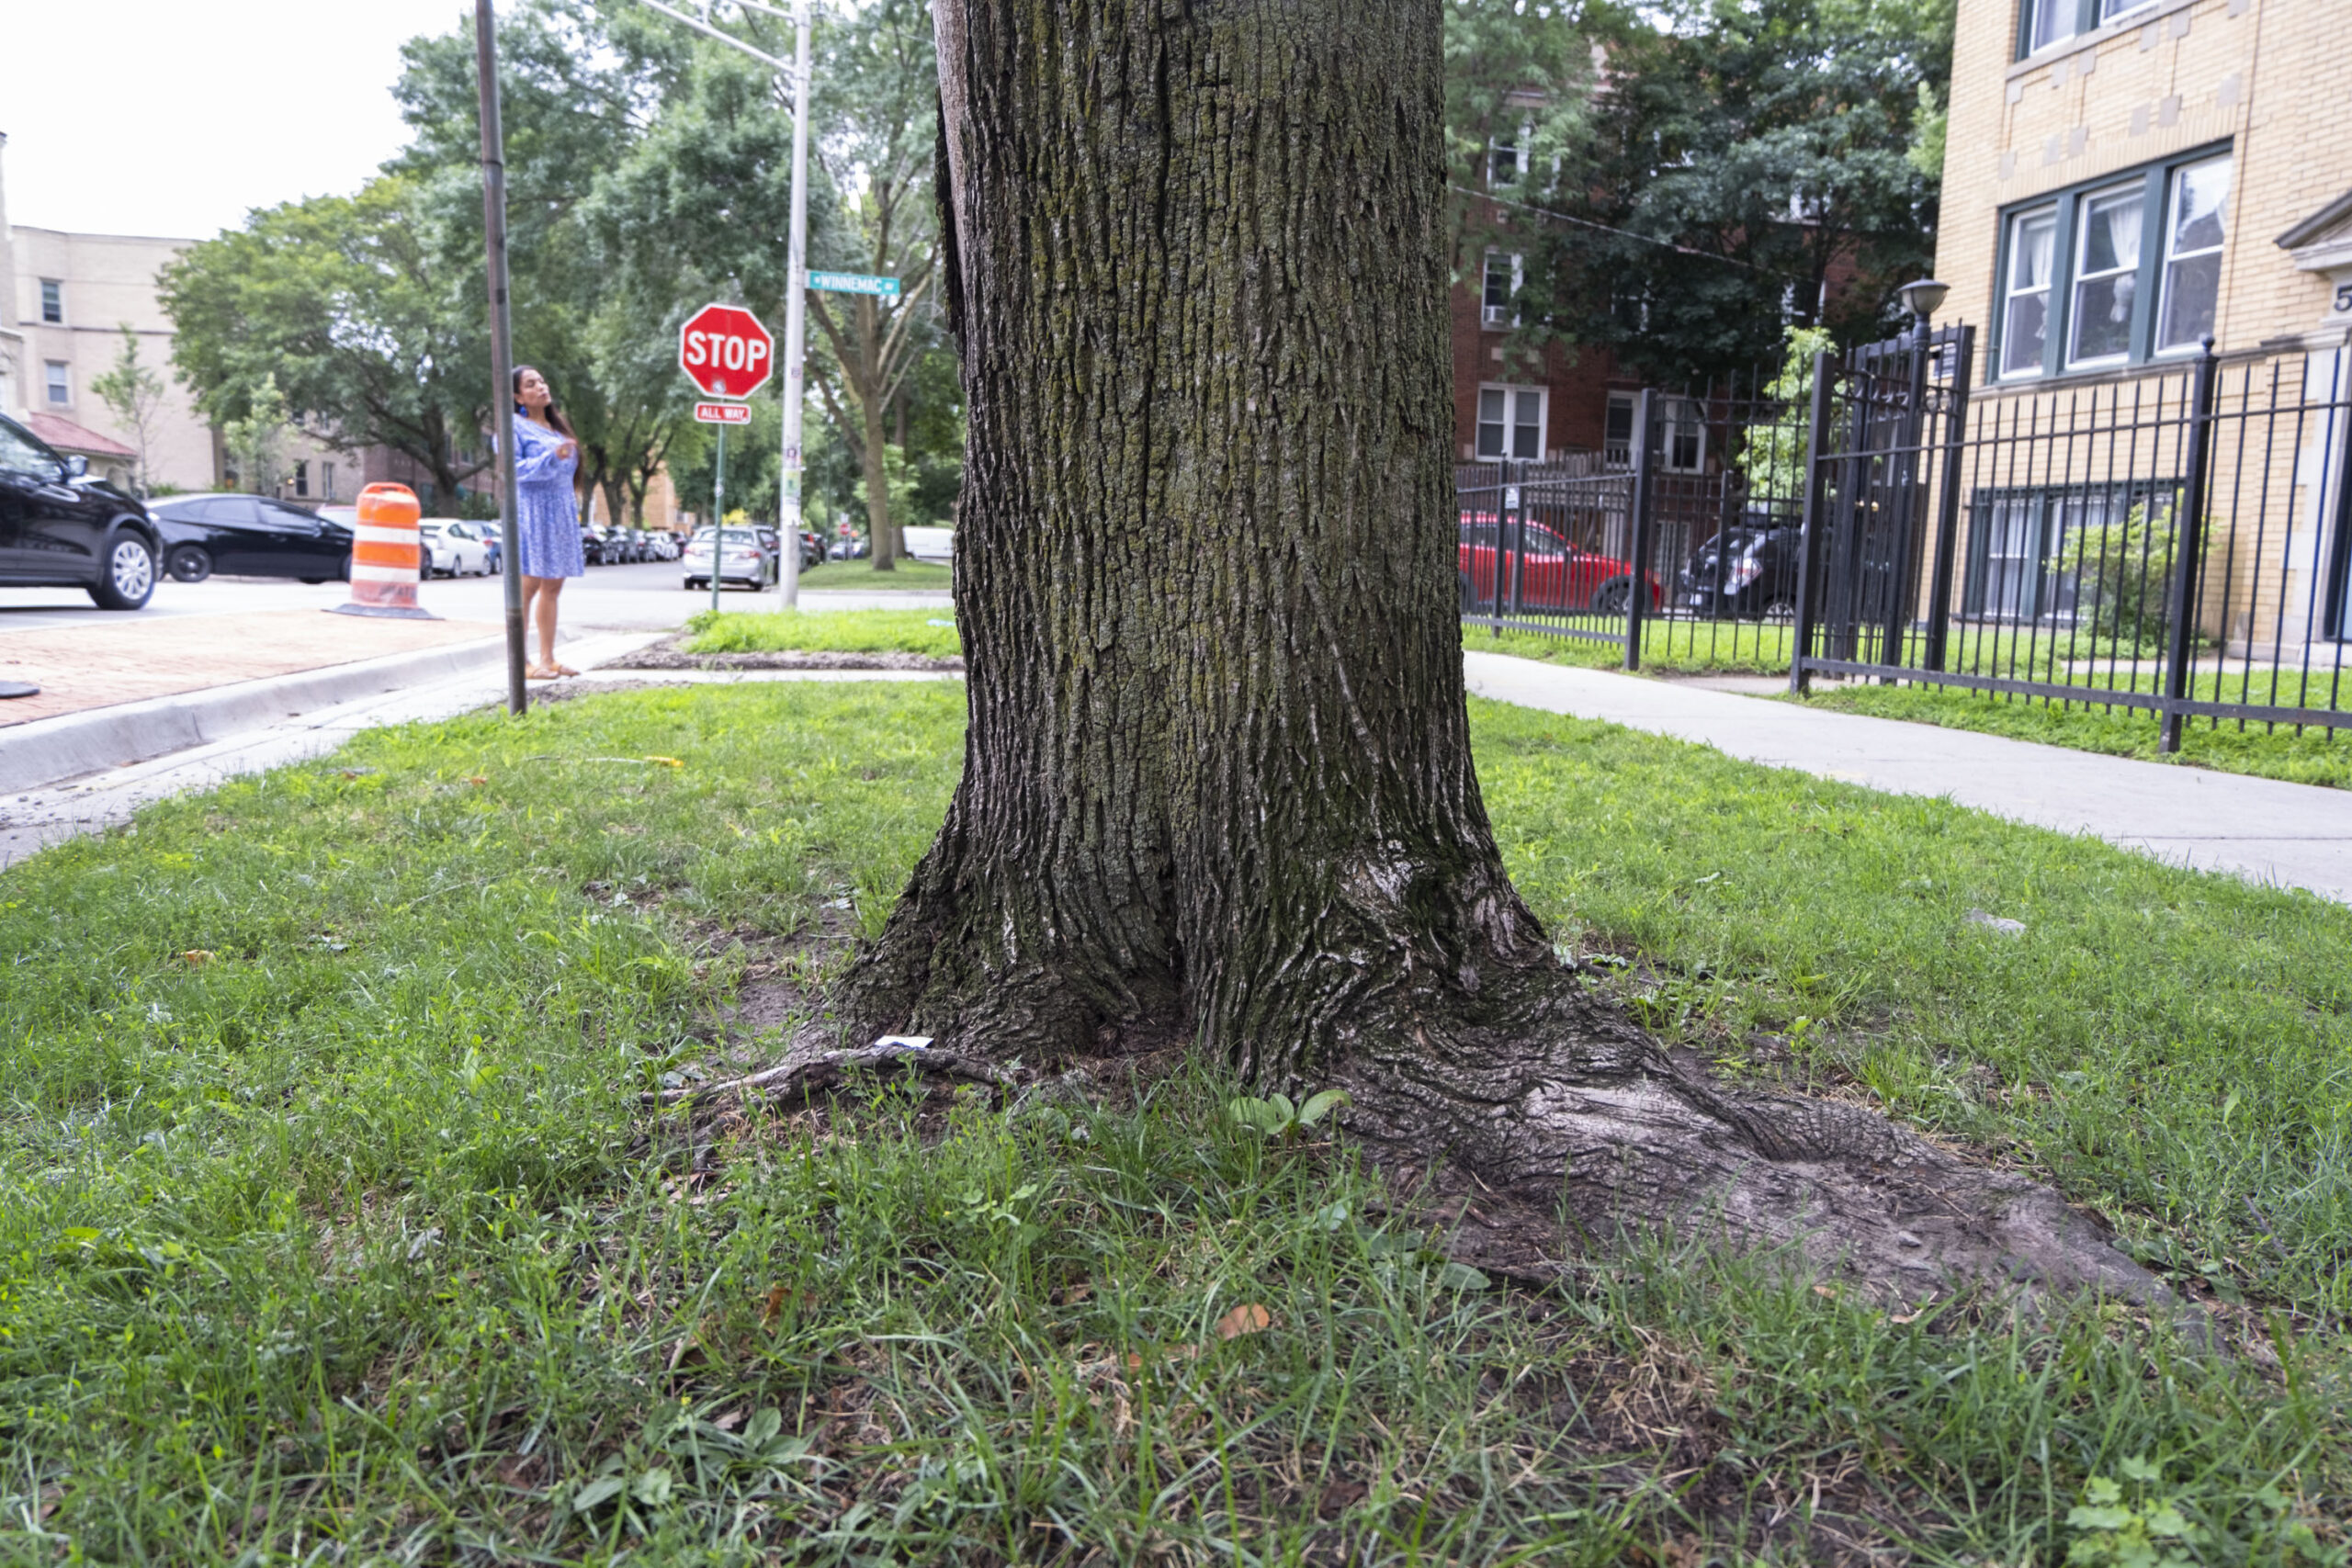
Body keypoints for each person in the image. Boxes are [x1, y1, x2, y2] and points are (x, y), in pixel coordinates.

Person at [510, 365, 584, 678]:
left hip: (562, 512)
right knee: (527, 588)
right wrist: (551, 456)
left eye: (541, 380)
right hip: (534, 511)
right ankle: (522, 663)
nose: (540, 386)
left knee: (553, 587)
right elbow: (514, 470)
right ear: (517, 396)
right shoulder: (514, 426)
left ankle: (548, 658)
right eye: (530, 384)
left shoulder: (558, 430)